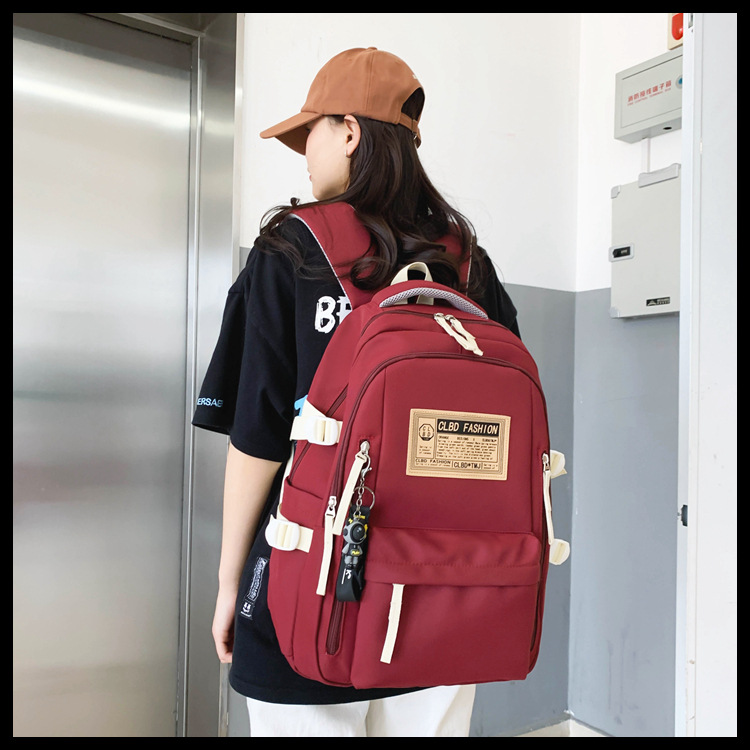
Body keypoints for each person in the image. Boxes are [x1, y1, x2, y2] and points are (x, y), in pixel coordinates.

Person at [192, 46, 521, 737]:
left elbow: (258, 439)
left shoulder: (291, 249)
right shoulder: (466, 261)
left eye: (308, 134)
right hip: (445, 592)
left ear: (347, 131)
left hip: (309, 588)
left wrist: (229, 583)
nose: (304, 157)